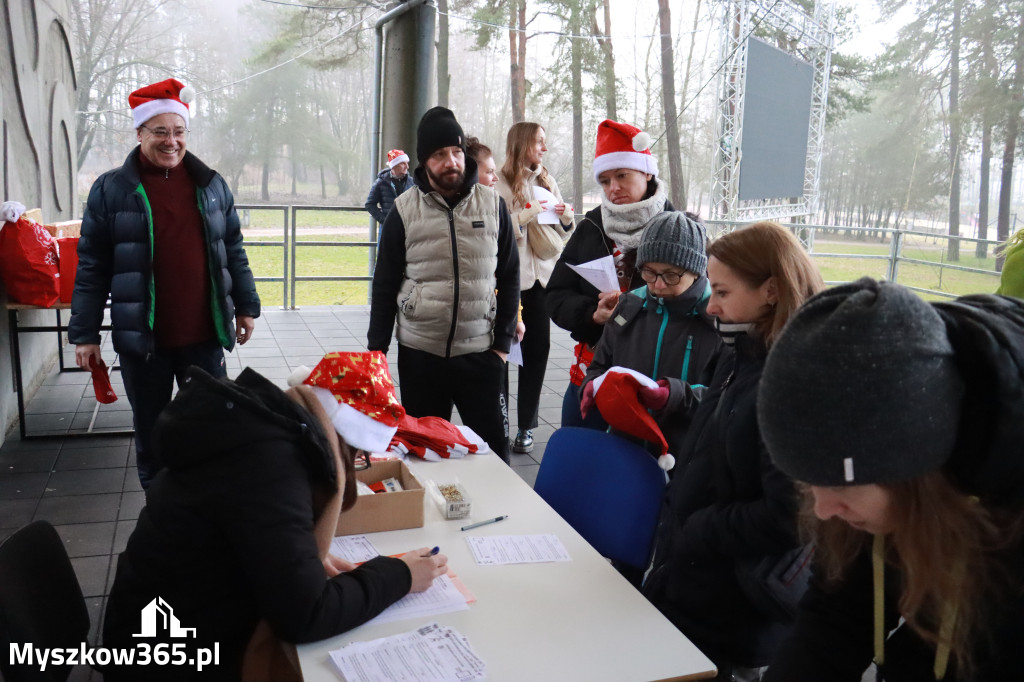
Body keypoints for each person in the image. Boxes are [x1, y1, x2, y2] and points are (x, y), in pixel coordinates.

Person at [102, 352, 448, 681]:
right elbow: (305, 616)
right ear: (344, 443)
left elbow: (252, 531)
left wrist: (300, 553)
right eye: (358, 458)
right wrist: (400, 575)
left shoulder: (260, 430)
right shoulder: (271, 467)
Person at [758, 279, 1024, 681]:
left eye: (840, 484)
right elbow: (837, 617)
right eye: (809, 481)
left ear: (916, 468)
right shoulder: (896, 440)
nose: (824, 509)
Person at [641, 221, 825, 679]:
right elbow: (729, 412)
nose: (710, 302)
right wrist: (676, 396)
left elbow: (789, 514)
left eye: (721, 290)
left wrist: (701, 527)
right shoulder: (741, 345)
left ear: (771, 289)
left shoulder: (792, 381)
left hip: (734, 601)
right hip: (697, 578)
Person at [69, 79, 260, 489]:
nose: (171, 141)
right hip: (144, 341)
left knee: (211, 425)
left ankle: (209, 506)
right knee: (153, 432)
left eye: (178, 131)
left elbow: (233, 249)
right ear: (139, 133)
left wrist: (246, 306)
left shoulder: (210, 185)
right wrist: (84, 334)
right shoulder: (111, 190)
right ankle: (160, 513)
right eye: (160, 132)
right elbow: (92, 267)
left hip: (203, 335)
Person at [367, 107, 519, 463]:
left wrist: (501, 347)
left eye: (456, 151)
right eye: (439, 155)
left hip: (481, 354)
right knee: (424, 455)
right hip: (421, 356)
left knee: (492, 454)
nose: (451, 161)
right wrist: (377, 350)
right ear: (424, 162)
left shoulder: (493, 205)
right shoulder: (403, 211)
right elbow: (385, 282)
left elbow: (510, 276)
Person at [547, 119, 673, 430]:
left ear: (646, 172)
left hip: (652, 379)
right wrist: (593, 314)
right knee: (577, 457)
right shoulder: (591, 226)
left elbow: (699, 304)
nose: (613, 188)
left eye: (622, 175)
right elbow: (555, 295)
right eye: (604, 180)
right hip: (590, 370)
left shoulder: (676, 229)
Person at [579, 211, 721, 458]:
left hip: (689, 459)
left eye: (671, 275)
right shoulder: (629, 306)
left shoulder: (718, 319)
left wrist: (673, 396)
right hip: (624, 450)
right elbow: (600, 366)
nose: (657, 285)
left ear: (697, 271)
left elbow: (728, 401)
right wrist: (591, 387)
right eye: (649, 272)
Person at [495, 122, 574, 454]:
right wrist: (522, 217)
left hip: (541, 283)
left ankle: (526, 426)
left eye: (545, 142)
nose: (545, 148)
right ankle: (497, 424)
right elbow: (492, 232)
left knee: (536, 356)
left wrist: (568, 217)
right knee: (499, 355)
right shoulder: (497, 182)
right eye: (539, 142)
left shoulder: (547, 180)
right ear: (522, 144)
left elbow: (561, 233)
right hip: (507, 284)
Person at [364, 148, 414, 225]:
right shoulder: (381, 183)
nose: (407, 167)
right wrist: (385, 220)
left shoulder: (412, 182)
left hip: (408, 229)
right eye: (403, 163)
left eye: (407, 163)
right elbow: (369, 204)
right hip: (388, 230)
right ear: (394, 165)